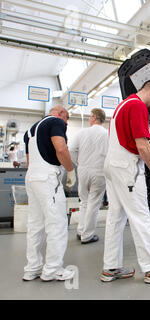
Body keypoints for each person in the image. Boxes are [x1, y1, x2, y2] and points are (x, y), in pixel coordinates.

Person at [101, 80, 150, 284]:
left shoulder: (124, 105)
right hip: (127, 169)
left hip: (112, 165)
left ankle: (111, 268)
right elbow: (141, 147)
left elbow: (139, 141)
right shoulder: (138, 106)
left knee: (116, 218)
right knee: (141, 216)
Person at [22, 105, 76, 282]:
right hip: (47, 178)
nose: (65, 125)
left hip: (32, 177)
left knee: (35, 225)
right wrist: (70, 170)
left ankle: (32, 268)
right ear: (62, 114)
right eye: (67, 121)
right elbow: (61, 149)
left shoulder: (30, 130)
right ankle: (52, 269)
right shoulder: (56, 122)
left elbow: (30, 160)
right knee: (57, 223)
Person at [69, 108, 108, 244]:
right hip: (99, 171)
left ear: (93, 118)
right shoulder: (107, 135)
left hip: (83, 170)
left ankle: (81, 231)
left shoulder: (82, 132)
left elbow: (71, 150)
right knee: (94, 203)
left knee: (84, 201)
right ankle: (87, 235)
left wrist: (78, 162)